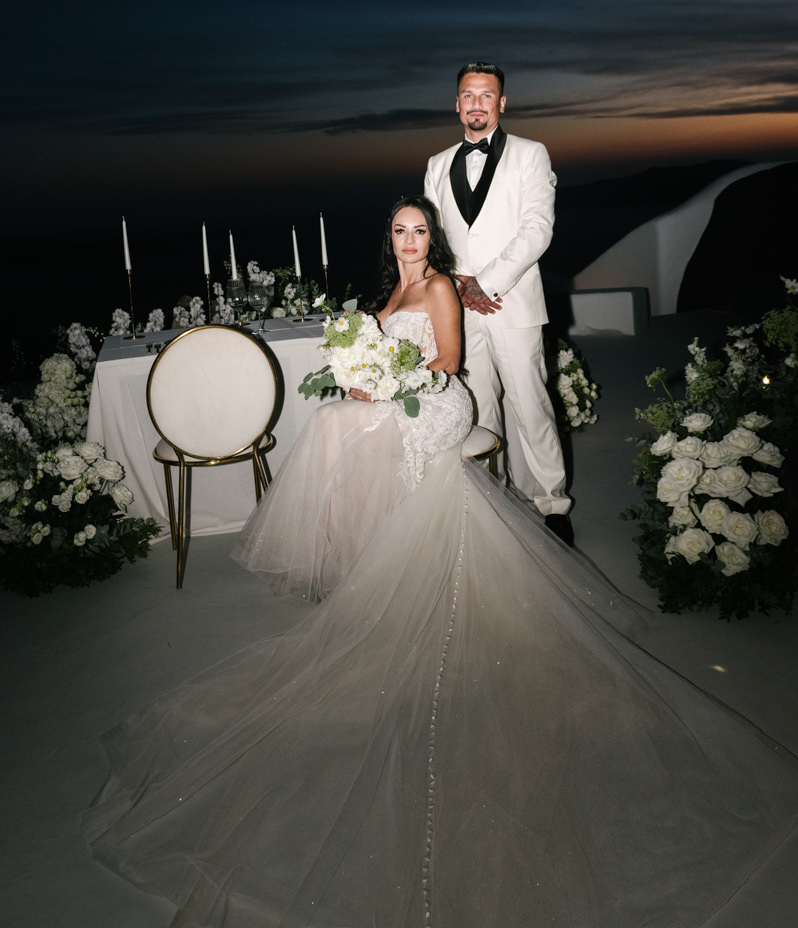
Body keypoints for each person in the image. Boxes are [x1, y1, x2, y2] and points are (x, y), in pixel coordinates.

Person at [83, 197, 798, 928]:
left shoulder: (439, 289)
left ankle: (385, 558)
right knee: (334, 418)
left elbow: (450, 364)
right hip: (398, 396)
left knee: (347, 427)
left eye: (420, 231)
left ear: (433, 239)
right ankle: (367, 561)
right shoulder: (385, 296)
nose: (410, 240)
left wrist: (387, 385)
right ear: (389, 239)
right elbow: (371, 358)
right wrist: (359, 379)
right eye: (400, 231)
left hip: (438, 403)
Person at [425, 62, 573, 544]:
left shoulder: (531, 154)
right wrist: (453, 286)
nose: (477, 104)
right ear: (457, 104)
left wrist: (484, 283)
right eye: (468, 95)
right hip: (459, 308)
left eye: (486, 95)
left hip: (512, 302)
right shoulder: (436, 164)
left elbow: (538, 230)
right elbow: (433, 237)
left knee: (531, 405)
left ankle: (553, 502)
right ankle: (494, 496)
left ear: (501, 103)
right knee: (476, 405)